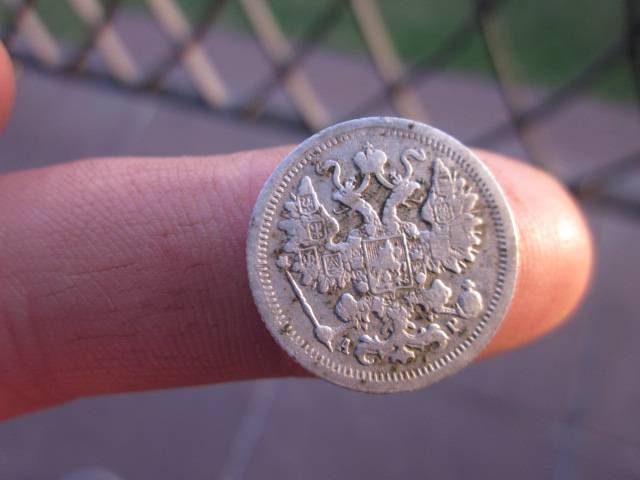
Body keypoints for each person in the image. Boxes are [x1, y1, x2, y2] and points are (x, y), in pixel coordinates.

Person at [0, 45, 592, 421]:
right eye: (364, 182)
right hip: (365, 326)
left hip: (395, 326)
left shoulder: (389, 210)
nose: (373, 187)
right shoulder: (340, 211)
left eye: (380, 182)